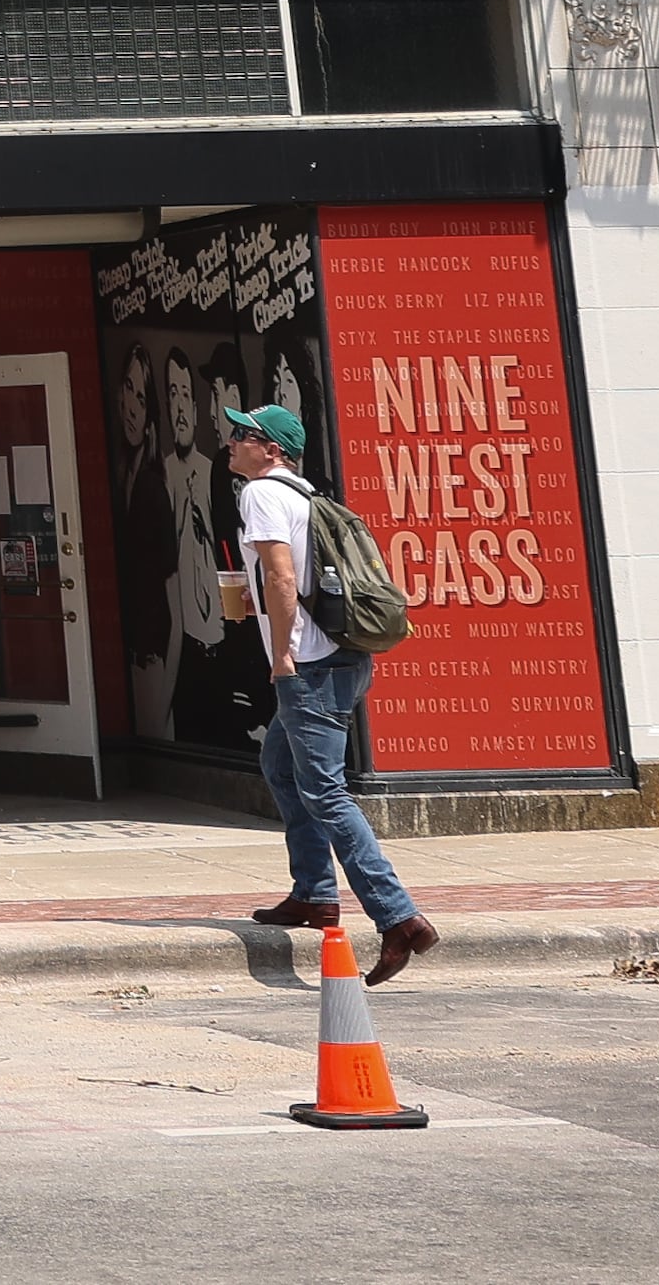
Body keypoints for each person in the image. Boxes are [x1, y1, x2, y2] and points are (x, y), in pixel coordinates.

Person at [224, 401, 436, 984]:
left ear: (272, 450)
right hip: (343, 655)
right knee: (282, 767)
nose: (231, 442)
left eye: (242, 435)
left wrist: (281, 652)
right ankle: (314, 893)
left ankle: (398, 919)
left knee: (323, 789)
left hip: (309, 665)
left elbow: (282, 576)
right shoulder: (305, 494)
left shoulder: (262, 493)